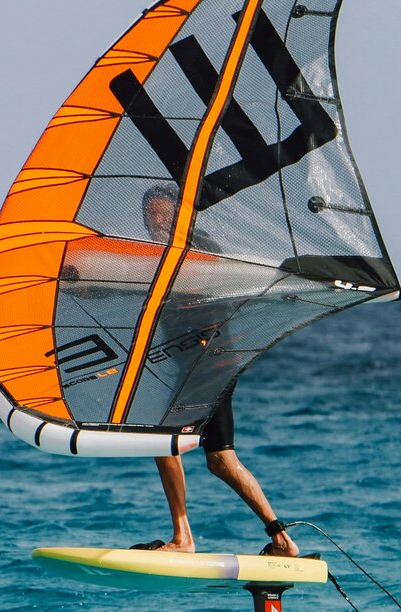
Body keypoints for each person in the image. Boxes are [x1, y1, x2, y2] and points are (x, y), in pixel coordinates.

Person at [131, 182, 300, 558]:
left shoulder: (201, 248)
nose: (155, 221)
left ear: (180, 217)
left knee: (163, 440)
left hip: (209, 364)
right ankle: (283, 540)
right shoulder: (156, 256)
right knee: (222, 461)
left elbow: (184, 281)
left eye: (162, 214)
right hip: (208, 368)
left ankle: (183, 539)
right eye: (149, 215)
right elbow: (116, 282)